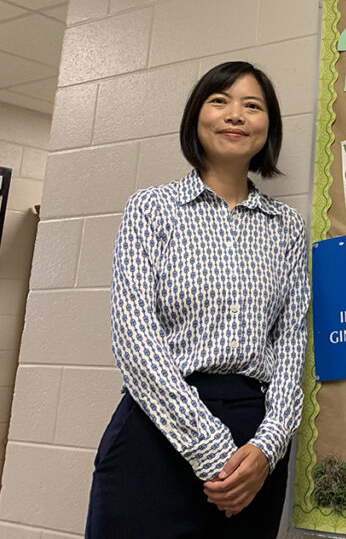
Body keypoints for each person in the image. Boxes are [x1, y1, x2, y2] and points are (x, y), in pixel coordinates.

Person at [85, 61, 310, 538]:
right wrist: (209, 447)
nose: (236, 115)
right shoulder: (151, 208)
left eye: (253, 106)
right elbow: (134, 337)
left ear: (268, 127)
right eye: (220, 101)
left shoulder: (286, 227)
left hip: (253, 446)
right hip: (158, 426)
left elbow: (292, 342)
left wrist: (269, 445)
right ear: (196, 117)